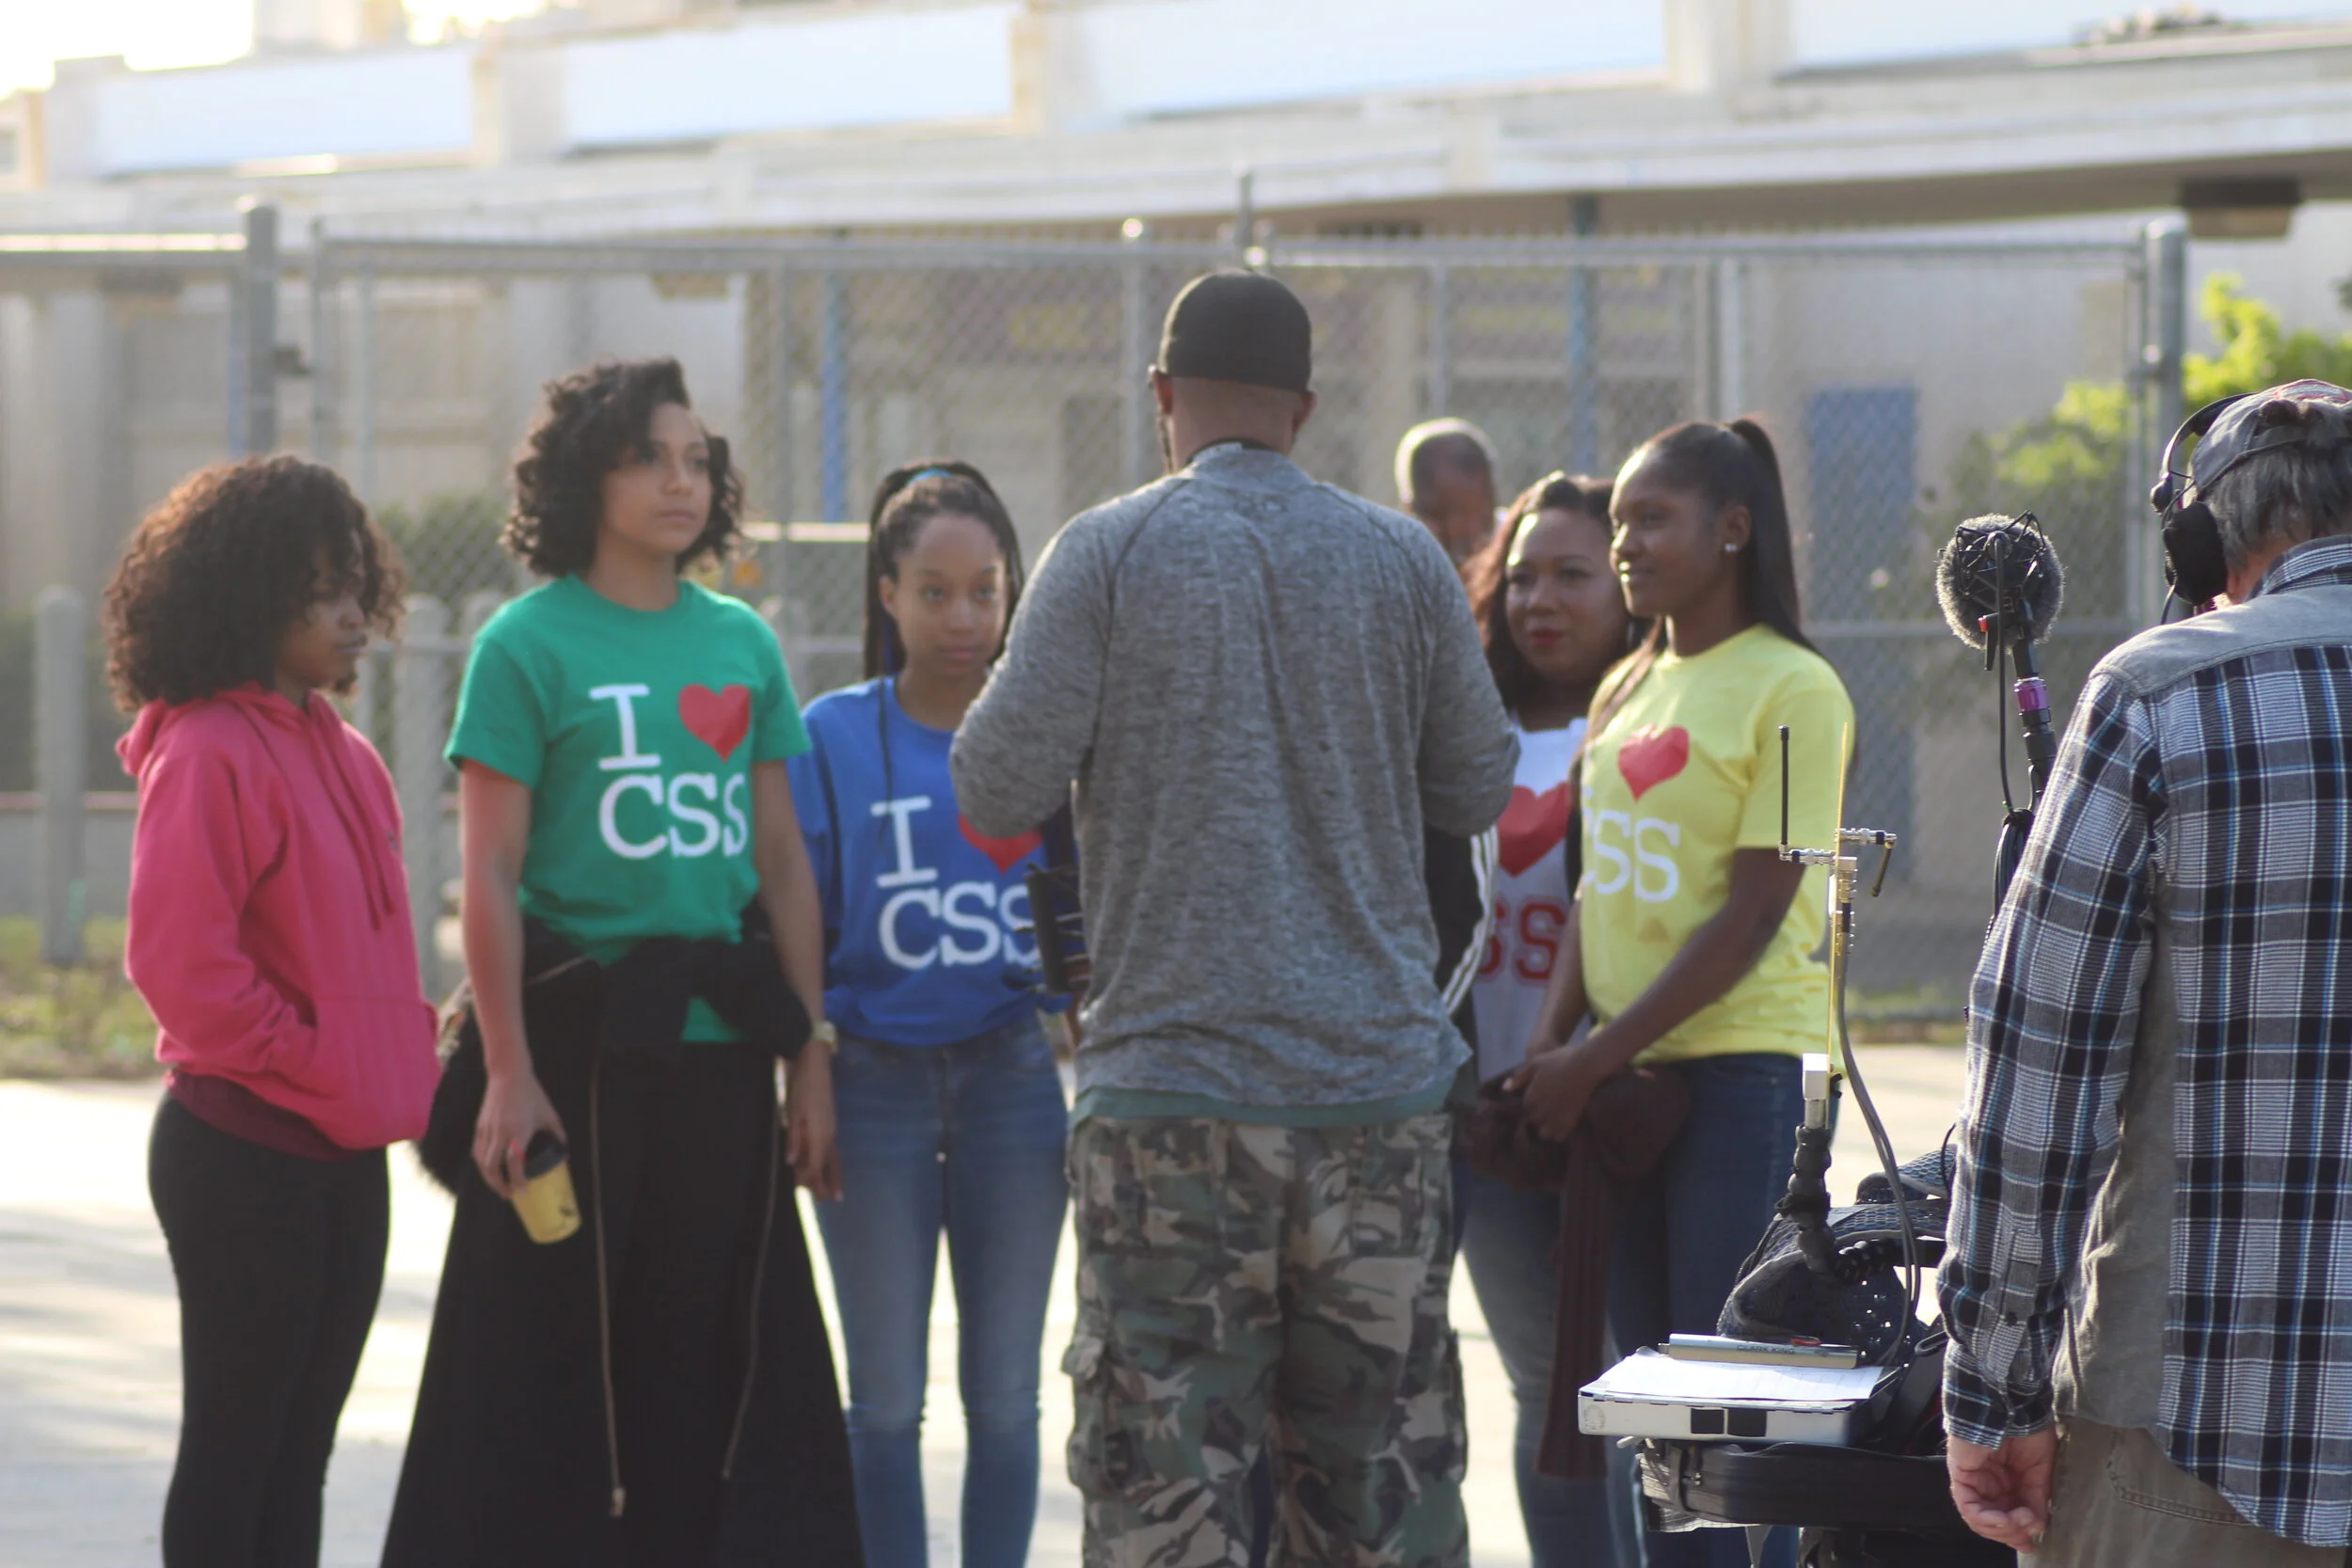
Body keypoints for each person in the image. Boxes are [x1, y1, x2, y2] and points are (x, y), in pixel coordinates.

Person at [952, 269, 1517, 1566]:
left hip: (1171, 1109)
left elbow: (994, 780)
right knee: (1382, 1500)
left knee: (1168, 1500)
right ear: (1306, 409)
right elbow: (1477, 783)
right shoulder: (1402, 557)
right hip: (1376, 1100)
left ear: (1164, 398)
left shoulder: (1107, 547)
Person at [382, 357, 859, 1568]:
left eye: (698, 459)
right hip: (576, 1063)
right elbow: (487, 871)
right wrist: (505, 1069)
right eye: (652, 456)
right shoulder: (525, 643)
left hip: (720, 1062)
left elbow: (784, 865)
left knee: (708, 1374)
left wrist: (809, 1059)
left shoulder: (741, 642)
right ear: (588, 473)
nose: (682, 481)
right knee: (548, 1375)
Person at [1940, 379, 2352, 1566]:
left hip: (2196, 1437)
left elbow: (2037, 1083)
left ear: (2200, 536)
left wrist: (1992, 1391)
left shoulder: (2161, 692)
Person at [1508, 419, 1851, 1568]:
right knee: (1652, 1421)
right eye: (1619, 525)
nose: (1624, 546)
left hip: (1741, 1079)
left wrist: (1591, 1062)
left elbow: (1755, 911)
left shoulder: (1799, 688)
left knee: (1723, 1412)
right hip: (1621, 1078)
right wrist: (1553, 1046)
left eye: (1650, 519)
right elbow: (1596, 886)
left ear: (1732, 529)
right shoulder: (1625, 682)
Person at [104, 455, 440, 1568]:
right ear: (248, 595)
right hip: (245, 1145)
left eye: (356, 584)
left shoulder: (346, 754)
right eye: (318, 591)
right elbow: (179, 968)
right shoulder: (203, 749)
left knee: (303, 1455)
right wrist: (313, 1055)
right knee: (236, 1450)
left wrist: (385, 1054)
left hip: (343, 1152)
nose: (352, 615)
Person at [789, 459, 1069, 1568]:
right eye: (937, 589)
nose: (965, 615)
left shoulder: (1042, 739)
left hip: (1010, 1079)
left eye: (987, 589)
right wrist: (806, 1066)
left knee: (1005, 1398)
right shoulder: (832, 734)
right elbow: (800, 913)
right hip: (869, 1084)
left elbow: (1074, 925)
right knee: (884, 1402)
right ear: (888, 594)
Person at [1455, 471, 1636, 1568]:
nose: (1541, 600)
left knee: (1633, 1385)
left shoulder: (1649, 722)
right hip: (1488, 1120)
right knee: (1547, 1389)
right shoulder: (1462, 728)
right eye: (1521, 576)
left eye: (1573, 574)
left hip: (1616, 1105)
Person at [1397, 416, 1503, 564]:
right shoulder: (1396, 565)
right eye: (1439, 515)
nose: (1458, 531)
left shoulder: (1520, 553)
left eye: (1481, 517)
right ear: (1409, 512)